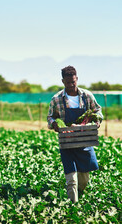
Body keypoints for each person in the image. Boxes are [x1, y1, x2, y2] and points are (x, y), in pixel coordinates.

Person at [47, 65, 103, 203]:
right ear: (62, 82)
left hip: (84, 140)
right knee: (71, 179)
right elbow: (50, 117)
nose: (71, 85)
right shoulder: (57, 99)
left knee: (84, 180)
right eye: (67, 83)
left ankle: (81, 196)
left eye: (73, 82)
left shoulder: (87, 96)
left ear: (77, 79)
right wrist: (54, 123)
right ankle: (73, 205)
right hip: (67, 142)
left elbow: (97, 110)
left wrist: (97, 120)